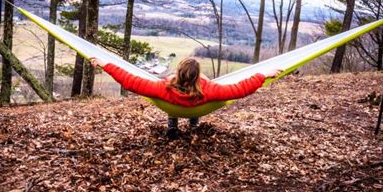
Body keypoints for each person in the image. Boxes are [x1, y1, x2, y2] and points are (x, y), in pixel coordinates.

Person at [90, 57, 282, 139]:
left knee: (172, 105)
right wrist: (263, 74)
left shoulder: (162, 88)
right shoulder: (210, 90)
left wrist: (106, 64)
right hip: (197, 103)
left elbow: (130, 81)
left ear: (178, 72)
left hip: (172, 104)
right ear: (197, 76)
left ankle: (172, 125)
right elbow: (240, 89)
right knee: (196, 103)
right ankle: (193, 124)